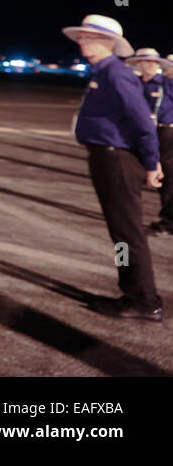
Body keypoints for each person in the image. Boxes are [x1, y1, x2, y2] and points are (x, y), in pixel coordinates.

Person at [64, 16, 164, 321]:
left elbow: (143, 122)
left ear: (108, 42)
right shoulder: (104, 72)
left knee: (127, 232)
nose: (82, 41)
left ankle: (144, 300)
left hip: (116, 160)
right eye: (81, 36)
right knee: (120, 231)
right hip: (105, 158)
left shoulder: (117, 74)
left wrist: (151, 162)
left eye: (89, 37)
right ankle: (132, 293)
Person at [123, 48, 173, 237]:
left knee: (168, 176)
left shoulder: (167, 83)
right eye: (147, 62)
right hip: (143, 133)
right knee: (139, 173)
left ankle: (169, 222)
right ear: (138, 64)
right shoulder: (134, 85)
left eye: (154, 62)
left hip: (166, 132)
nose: (151, 65)